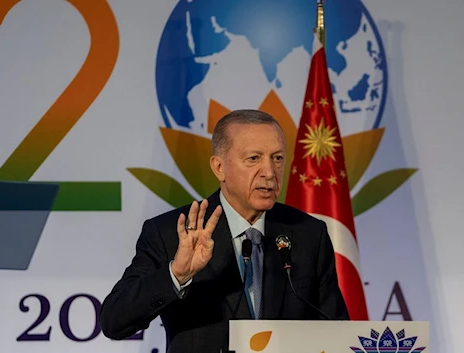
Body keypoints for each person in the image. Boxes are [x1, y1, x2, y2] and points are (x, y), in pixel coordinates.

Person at [99, 109, 349, 353]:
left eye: (277, 158)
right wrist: (176, 274)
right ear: (219, 168)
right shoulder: (170, 233)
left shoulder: (308, 233)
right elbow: (114, 322)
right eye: (254, 158)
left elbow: (336, 329)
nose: (269, 173)